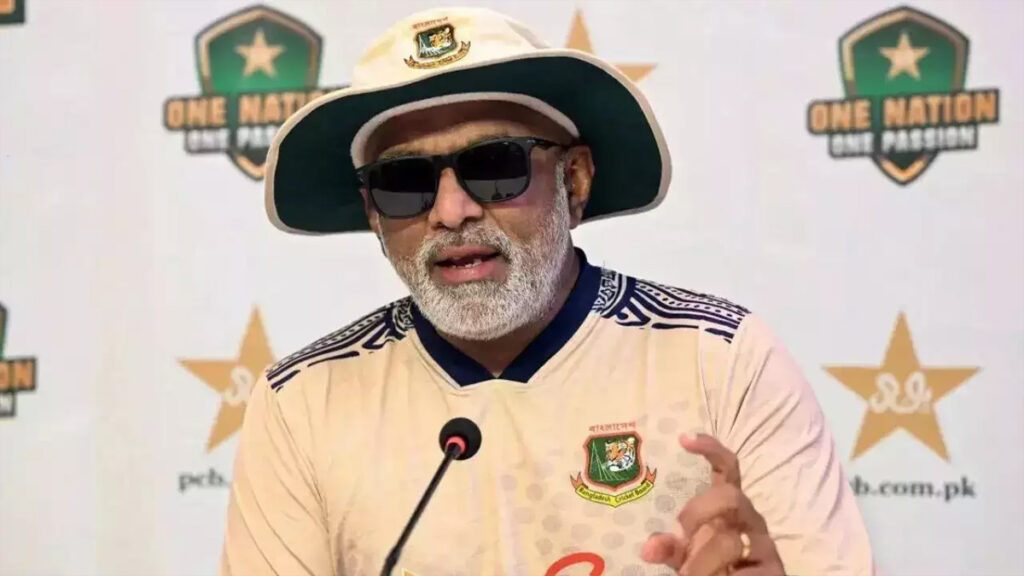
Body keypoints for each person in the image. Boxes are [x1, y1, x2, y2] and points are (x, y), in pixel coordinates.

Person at [222, 7, 874, 576]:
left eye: (494, 166)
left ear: (575, 180)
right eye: (404, 183)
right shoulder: (303, 402)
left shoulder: (721, 360)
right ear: (373, 214)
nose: (451, 212)